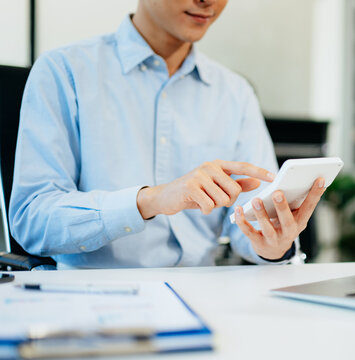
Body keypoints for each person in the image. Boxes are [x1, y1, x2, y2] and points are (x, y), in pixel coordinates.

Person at [9, 0, 326, 268]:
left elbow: (252, 224)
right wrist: (152, 199)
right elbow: (32, 221)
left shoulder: (235, 93)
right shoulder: (64, 71)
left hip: (207, 298)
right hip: (93, 300)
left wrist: (272, 246)